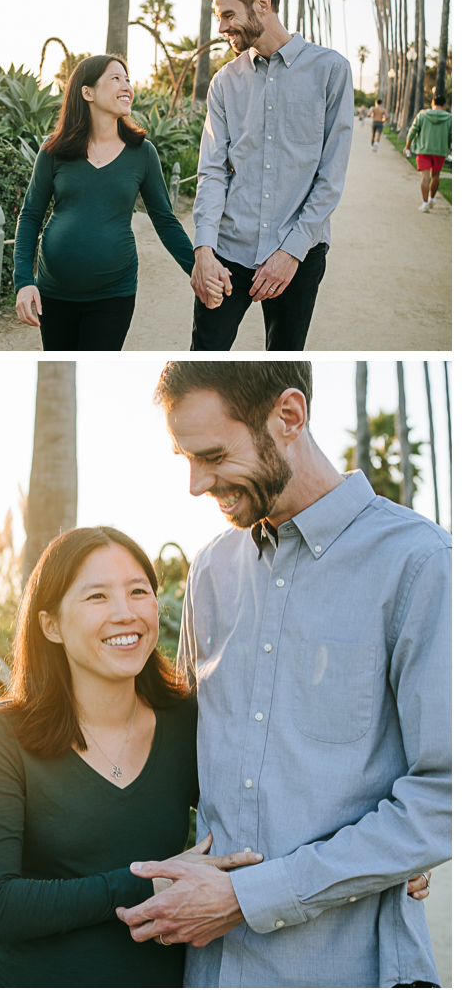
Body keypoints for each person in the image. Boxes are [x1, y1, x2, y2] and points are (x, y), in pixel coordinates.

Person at [118, 361, 451, 988]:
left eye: (213, 454)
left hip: (352, 969)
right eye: (185, 458)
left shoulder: (421, 564)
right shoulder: (210, 571)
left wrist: (247, 898)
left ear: (289, 417)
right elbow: (189, 766)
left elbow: (444, 796)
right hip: (212, 971)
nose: (194, 484)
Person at [0, 526, 261, 987]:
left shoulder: (188, 721)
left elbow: (262, 809)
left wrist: (383, 870)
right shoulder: (3, 733)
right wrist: (147, 884)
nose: (125, 614)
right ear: (51, 625)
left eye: (138, 591)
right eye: (96, 597)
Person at [190, 0, 354, 351]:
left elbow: (330, 178)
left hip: (299, 255)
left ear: (262, 3)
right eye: (219, 18)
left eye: (228, 15)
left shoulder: (331, 71)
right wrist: (203, 250)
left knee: (280, 364)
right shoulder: (224, 82)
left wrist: (291, 253)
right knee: (203, 361)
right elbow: (213, 171)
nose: (222, 28)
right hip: (227, 253)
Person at [12, 56, 215, 350]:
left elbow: (165, 221)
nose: (127, 86)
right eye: (116, 78)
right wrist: (23, 281)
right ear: (88, 92)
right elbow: (30, 216)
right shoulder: (53, 150)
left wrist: (196, 271)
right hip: (53, 291)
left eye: (128, 79)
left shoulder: (143, 153)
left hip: (113, 294)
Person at [404, 94, 452, 212]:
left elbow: (412, 130)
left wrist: (407, 146)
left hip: (423, 150)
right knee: (435, 175)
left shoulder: (422, 115)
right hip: (440, 151)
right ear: (444, 105)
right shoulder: (450, 118)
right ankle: (432, 198)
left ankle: (425, 203)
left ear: (432, 104)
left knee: (424, 176)